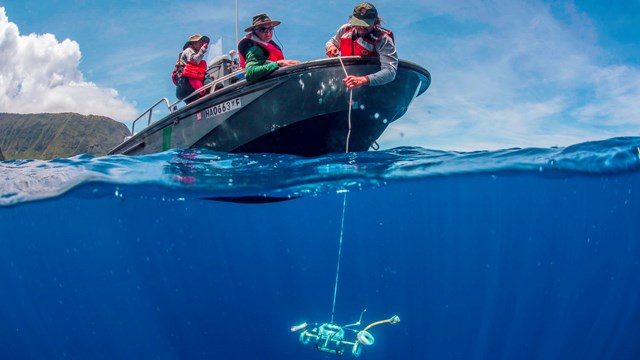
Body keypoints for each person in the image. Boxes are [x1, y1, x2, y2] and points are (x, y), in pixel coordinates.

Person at [325, 2, 398, 89]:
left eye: (366, 24)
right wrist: (331, 47)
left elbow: (390, 72)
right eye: (359, 23)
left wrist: (363, 80)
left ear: (375, 22)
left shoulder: (383, 39)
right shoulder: (345, 30)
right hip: (345, 83)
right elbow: (331, 42)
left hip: (372, 86)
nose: (362, 27)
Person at [238, 13, 299, 83]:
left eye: (270, 28)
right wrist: (278, 64)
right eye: (262, 29)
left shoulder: (271, 45)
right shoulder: (254, 48)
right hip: (264, 85)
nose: (268, 32)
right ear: (254, 31)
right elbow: (250, 73)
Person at [172, 34, 211, 103]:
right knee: (211, 84)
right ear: (193, 44)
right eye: (201, 41)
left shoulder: (194, 54)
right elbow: (195, 60)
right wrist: (203, 50)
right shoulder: (188, 50)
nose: (203, 44)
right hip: (187, 82)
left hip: (187, 88)